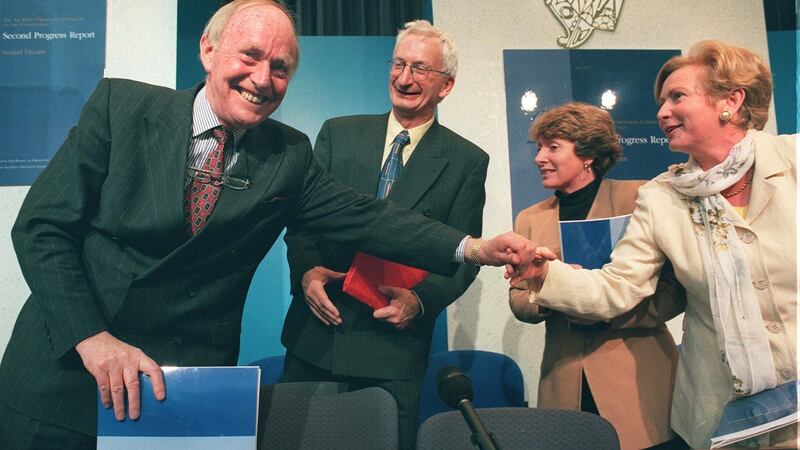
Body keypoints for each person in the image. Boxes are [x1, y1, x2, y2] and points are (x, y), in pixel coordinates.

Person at [0, 1, 535, 447]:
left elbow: (366, 216)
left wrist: (475, 247)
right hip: (66, 376)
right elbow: (42, 228)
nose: (262, 79)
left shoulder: (288, 155)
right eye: (250, 56)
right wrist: (93, 338)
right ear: (208, 50)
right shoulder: (120, 107)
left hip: (182, 391)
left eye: (280, 68)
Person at [514, 40, 797, 448]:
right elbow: (617, 286)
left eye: (677, 97)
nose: (662, 112)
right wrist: (545, 275)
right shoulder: (661, 196)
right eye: (661, 101)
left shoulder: (793, 160)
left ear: (731, 101)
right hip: (729, 417)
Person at [280, 20, 487, 449]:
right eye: (398, 64)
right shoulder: (338, 133)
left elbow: (463, 259)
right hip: (315, 338)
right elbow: (301, 221)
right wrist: (306, 272)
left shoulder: (467, 161)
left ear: (446, 85)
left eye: (420, 69)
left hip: (392, 353)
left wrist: (419, 300)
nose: (404, 78)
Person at [509, 102, 685, 450]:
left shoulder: (640, 197)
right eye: (539, 148)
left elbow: (676, 289)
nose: (539, 158)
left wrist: (609, 313)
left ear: (588, 153)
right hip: (565, 381)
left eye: (553, 147)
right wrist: (552, 291)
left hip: (639, 380)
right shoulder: (529, 218)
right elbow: (518, 299)